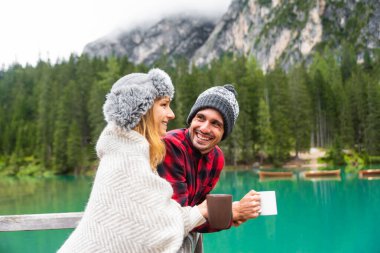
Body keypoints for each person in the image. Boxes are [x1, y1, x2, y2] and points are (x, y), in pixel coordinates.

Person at [58, 68, 208, 253]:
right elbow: (156, 231)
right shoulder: (127, 158)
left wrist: (201, 212)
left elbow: (154, 218)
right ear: (142, 109)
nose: (171, 114)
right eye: (164, 105)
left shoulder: (126, 150)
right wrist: (201, 212)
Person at [157, 84, 261, 251]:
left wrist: (235, 212)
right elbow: (176, 219)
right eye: (200, 118)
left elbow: (199, 210)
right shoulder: (170, 146)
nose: (204, 128)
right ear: (191, 119)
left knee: (195, 237)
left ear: (224, 132)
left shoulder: (217, 158)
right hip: (157, 237)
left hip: (186, 232)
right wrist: (232, 213)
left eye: (215, 124)